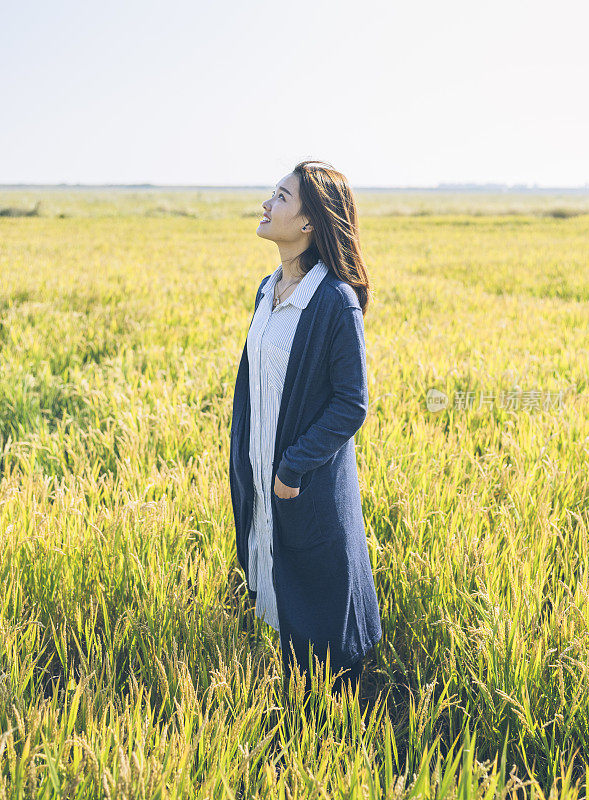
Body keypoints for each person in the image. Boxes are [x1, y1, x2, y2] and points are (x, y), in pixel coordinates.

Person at [229, 159, 382, 699]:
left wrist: (292, 466)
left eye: (281, 197)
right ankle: (296, 705)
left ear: (310, 221)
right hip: (260, 463)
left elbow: (351, 404)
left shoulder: (334, 301)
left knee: (320, 596)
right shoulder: (266, 289)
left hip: (302, 477)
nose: (267, 204)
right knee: (277, 584)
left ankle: (337, 719)